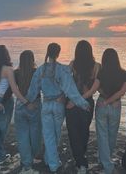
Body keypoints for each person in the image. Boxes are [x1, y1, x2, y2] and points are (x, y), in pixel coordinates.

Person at [25, 43, 89, 173]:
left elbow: (32, 91)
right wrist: (83, 104)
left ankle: (50, 160)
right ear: (58, 53)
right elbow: (71, 90)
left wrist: (25, 103)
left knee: (48, 135)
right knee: (56, 134)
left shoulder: (40, 70)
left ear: (48, 52)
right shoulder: (62, 70)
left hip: (46, 104)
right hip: (59, 105)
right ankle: (53, 163)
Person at [0, 45, 30, 167]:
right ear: (6, 55)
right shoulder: (8, 69)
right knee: (2, 130)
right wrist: (25, 102)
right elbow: (13, 89)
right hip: (4, 102)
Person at [65, 40, 100, 174]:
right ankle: (81, 160)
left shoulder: (72, 65)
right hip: (87, 102)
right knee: (83, 131)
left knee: (73, 133)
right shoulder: (97, 66)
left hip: (72, 102)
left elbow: (66, 84)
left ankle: (80, 162)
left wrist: (74, 101)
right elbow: (95, 89)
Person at [95, 48, 126, 174]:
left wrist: (107, 99)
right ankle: (106, 160)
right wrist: (113, 100)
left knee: (102, 135)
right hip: (116, 105)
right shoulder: (123, 73)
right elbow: (122, 91)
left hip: (102, 103)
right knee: (112, 134)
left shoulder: (101, 72)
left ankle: (106, 164)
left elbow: (97, 88)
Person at [14, 50, 42, 174]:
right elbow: (42, 88)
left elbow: (13, 90)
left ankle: (26, 163)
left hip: (20, 104)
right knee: (35, 133)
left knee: (22, 135)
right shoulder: (36, 72)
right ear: (32, 60)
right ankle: (32, 157)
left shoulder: (16, 73)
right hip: (34, 105)